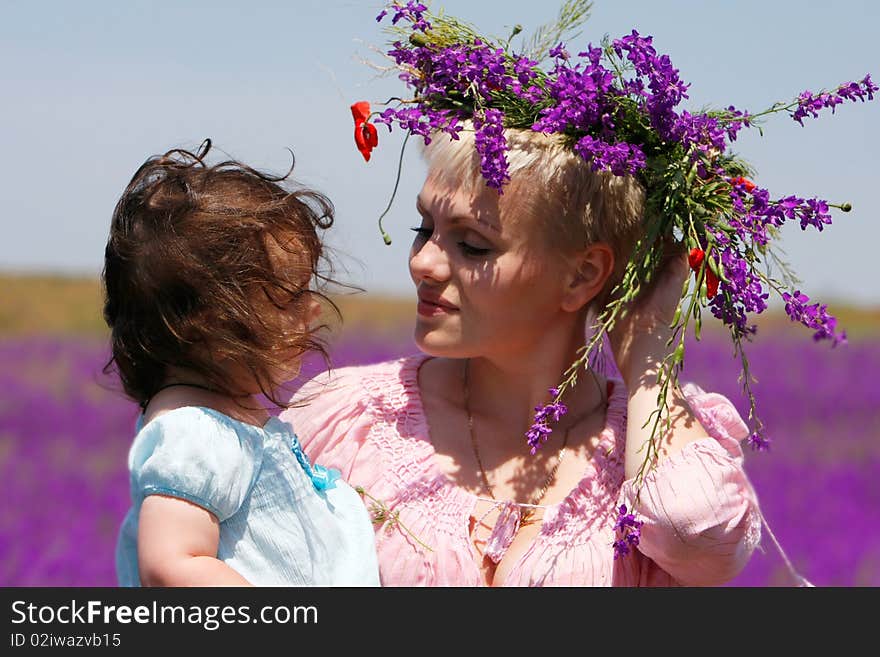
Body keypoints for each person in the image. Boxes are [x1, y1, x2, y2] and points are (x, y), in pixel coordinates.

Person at [281, 127, 767, 586]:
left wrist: (648, 356)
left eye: (472, 245)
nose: (422, 263)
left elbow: (694, 530)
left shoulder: (652, 454)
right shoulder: (350, 420)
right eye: (423, 226)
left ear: (582, 275)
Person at [105, 140, 380, 587]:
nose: (312, 310)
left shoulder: (226, 423)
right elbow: (173, 565)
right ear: (209, 326)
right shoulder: (194, 432)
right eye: (289, 297)